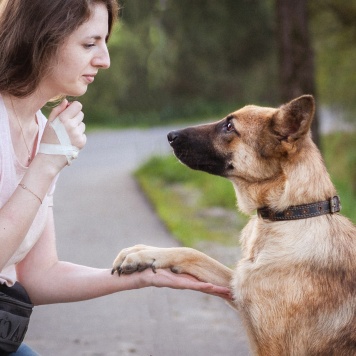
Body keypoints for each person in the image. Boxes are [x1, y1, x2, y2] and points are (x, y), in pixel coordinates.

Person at [0, 0, 231, 354]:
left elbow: (38, 276)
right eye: (89, 44)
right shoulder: (41, 141)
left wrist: (141, 276)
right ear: (40, 38)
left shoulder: (43, 132)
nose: (104, 60)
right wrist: (46, 164)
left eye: (105, 42)